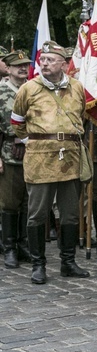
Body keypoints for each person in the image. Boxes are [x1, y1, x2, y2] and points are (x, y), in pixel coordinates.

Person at [11, 40, 90, 284]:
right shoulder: (29, 88)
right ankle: (38, 264)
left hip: (70, 157)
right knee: (37, 214)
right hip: (39, 159)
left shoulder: (77, 87)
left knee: (70, 215)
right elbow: (16, 122)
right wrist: (32, 142)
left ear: (64, 64)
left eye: (50, 60)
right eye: (42, 59)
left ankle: (68, 262)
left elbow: (83, 118)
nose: (43, 63)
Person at [0, 50, 32, 268]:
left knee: (28, 203)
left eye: (25, 65)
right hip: (9, 152)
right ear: (8, 68)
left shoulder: (34, 89)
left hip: (33, 152)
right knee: (10, 202)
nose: (22, 68)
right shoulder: (2, 91)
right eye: (18, 65)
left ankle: (23, 244)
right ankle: (9, 247)